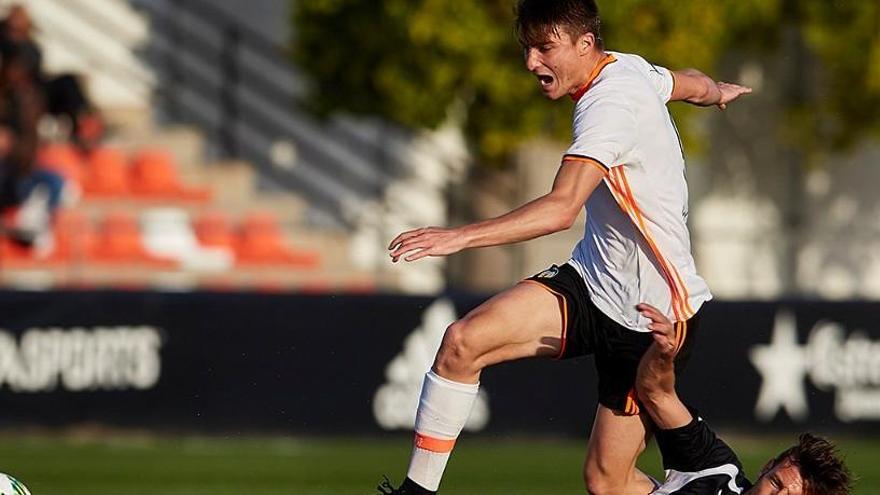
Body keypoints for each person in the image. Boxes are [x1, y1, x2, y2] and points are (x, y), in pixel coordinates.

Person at [378, 1, 752, 494]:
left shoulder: (609, 107)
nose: (531, 62)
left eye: (544, 48)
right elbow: (687, 82)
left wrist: (456, 237)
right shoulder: (627, 66)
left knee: (606, 482)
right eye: (527, 48)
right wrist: (715, 91)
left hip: (652, 314)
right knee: (462, 342)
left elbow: (560, 209)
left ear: (584, 44)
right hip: (593, 282)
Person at [634, 303, 852, 494]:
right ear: (766, 468)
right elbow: (657, 394)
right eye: (775, 483)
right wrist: (663, 352)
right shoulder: (715, 468)